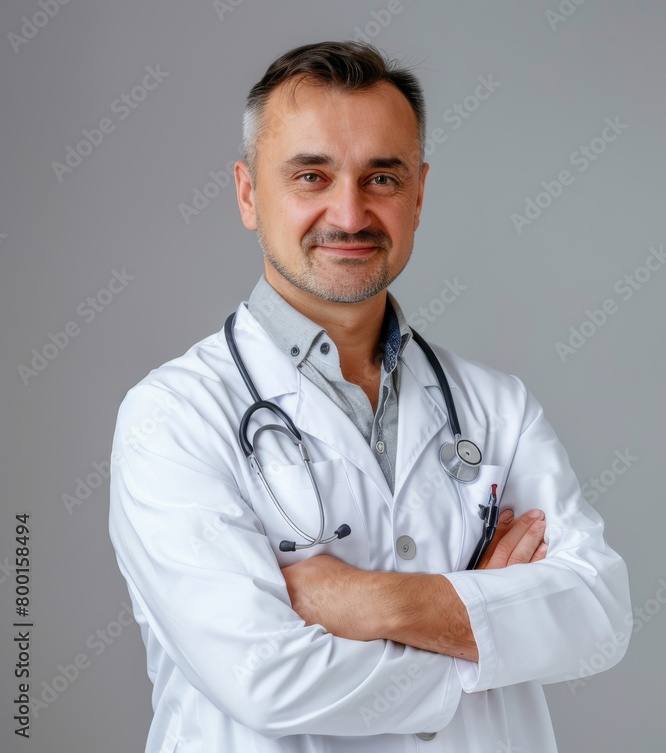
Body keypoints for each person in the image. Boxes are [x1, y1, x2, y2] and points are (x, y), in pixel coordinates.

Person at [108, 40, 630, 752]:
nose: (350, 214)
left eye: (381, 177)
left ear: (418, 195)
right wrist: (488, 627)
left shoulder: (499, 407)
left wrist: (361, 599)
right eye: (312, 176)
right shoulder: (171, 417)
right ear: (248, 194)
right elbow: (267, 679)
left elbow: (598, 616)